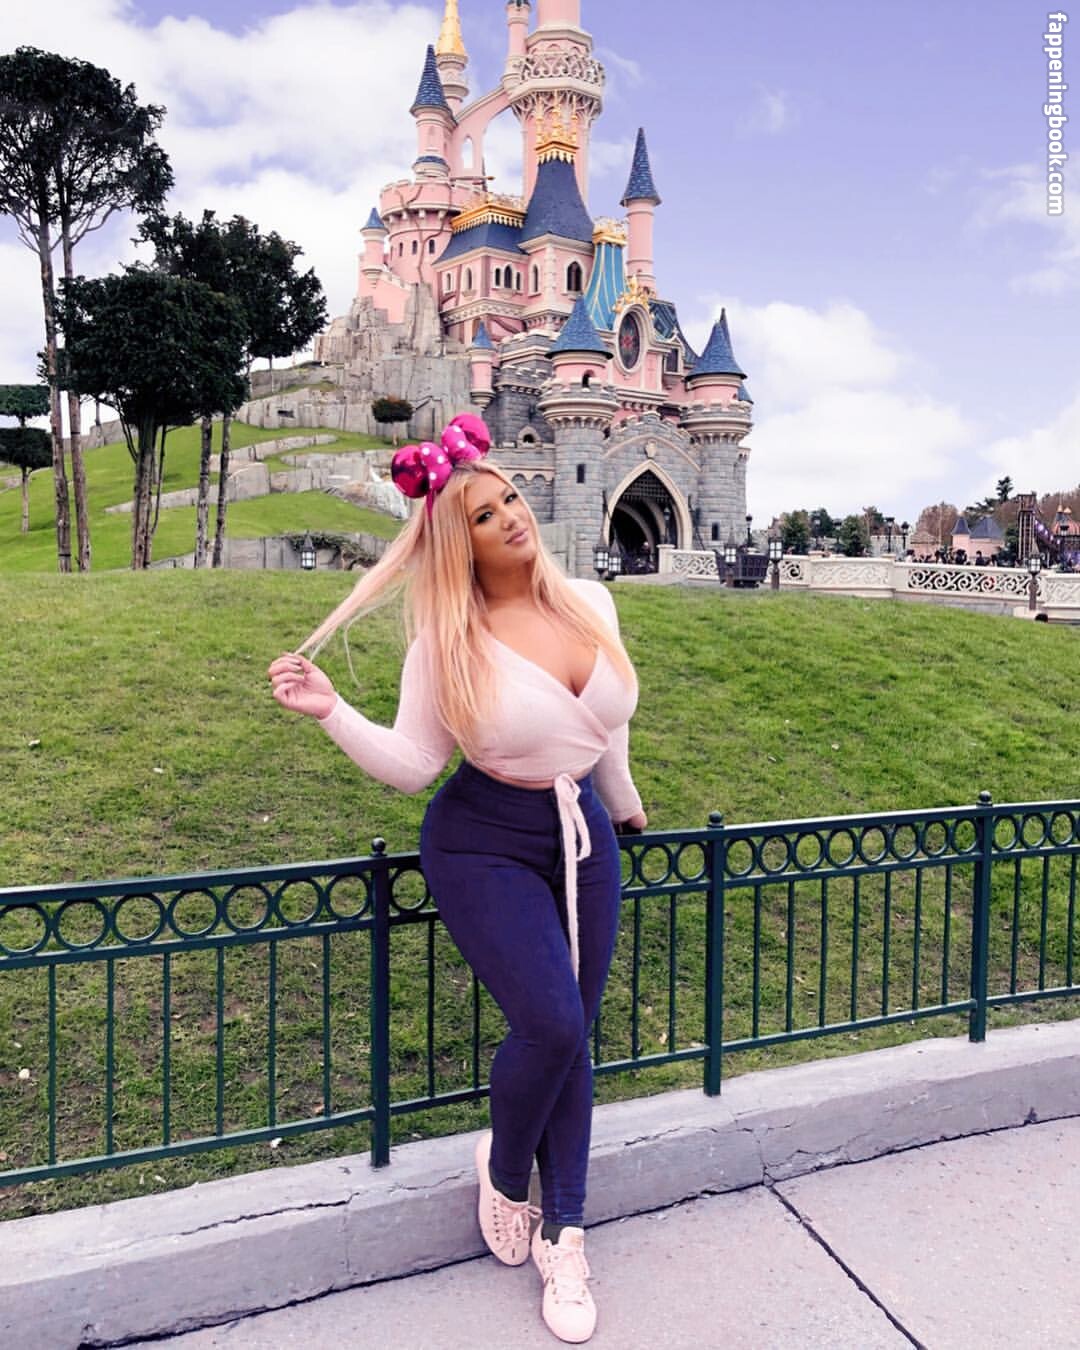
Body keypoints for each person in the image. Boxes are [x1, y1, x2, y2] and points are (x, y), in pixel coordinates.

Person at [267, 413, 647, 1345]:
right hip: (483, 839)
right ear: (457, 543)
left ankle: (566, 1234)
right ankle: (505, 1171)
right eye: (485, 514)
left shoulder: (592, 603)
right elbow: (413, 765)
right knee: (552, 1024)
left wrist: (624, 801)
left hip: (583, 835)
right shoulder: (447, 641)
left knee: (575, 1038)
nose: (512, 516)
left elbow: (608, 725)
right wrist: (331, 712)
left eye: (510, 498)